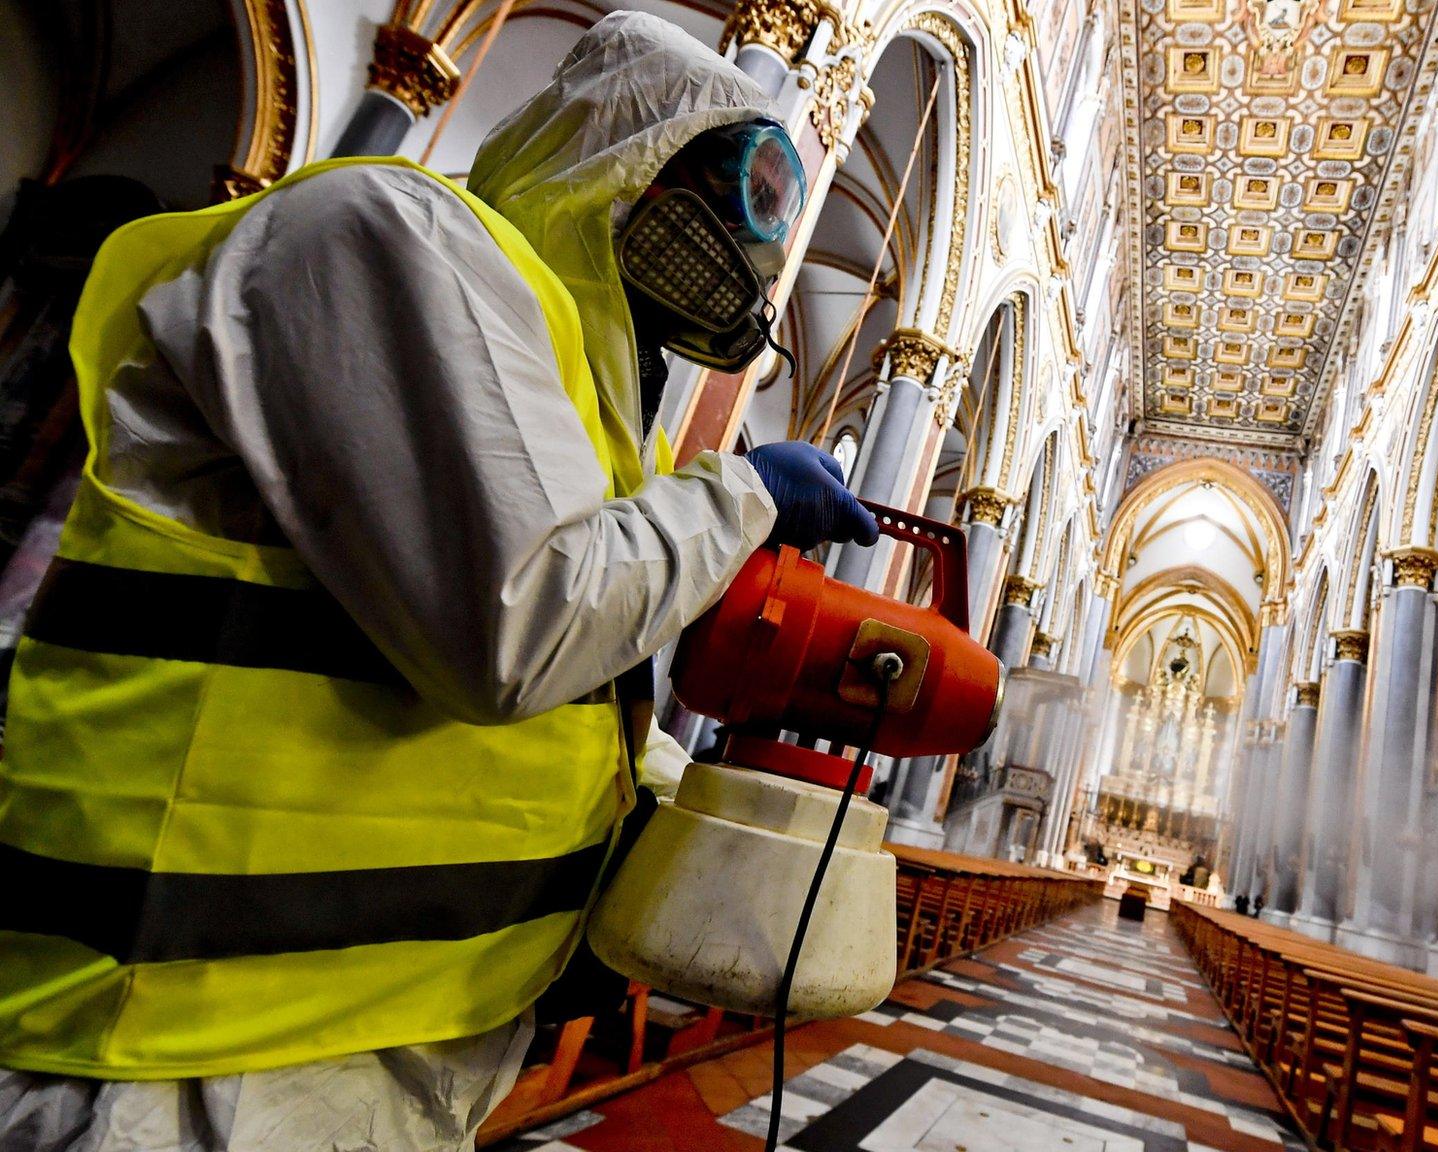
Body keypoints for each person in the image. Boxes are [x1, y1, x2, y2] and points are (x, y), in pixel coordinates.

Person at [0, 14, 876, 1151]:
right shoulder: (389, 234)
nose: (745, 247)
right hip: (177, 1048)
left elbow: (574, 707)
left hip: (379, 1042)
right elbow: (518, 627)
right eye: (741, 187)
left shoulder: (578, 406)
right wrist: (744, 495)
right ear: (624, 143)